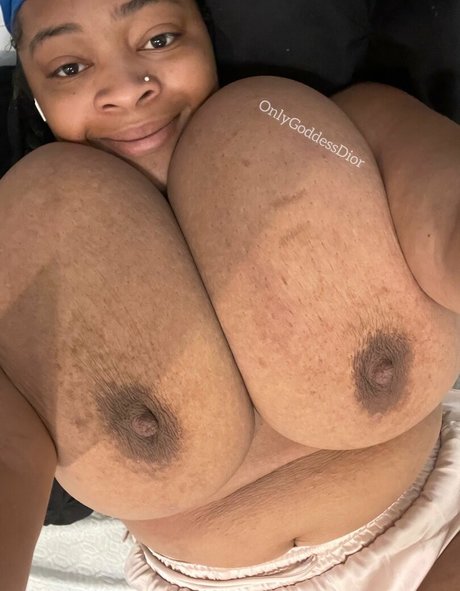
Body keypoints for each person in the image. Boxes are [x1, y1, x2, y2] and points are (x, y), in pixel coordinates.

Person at [0, 1, 459, 590]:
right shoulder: (26, 244)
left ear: (207, 35)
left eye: (159, 39)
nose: (128, 88)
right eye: (69, 68)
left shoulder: (327, 135)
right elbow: (9, 454)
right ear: (34, 96)